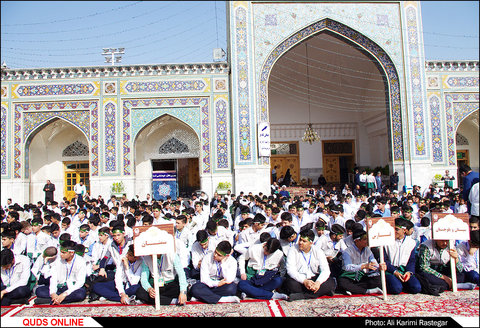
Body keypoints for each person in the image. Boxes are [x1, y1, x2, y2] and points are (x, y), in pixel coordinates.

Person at [284, 229, 336, 300]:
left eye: (304, 241)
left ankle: (302, 296)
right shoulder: (292, 250)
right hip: (300, 280)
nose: (300, 243)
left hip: (314, 278)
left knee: (331, 282)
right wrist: (304, 281)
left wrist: (318, 283)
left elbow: (325, 270)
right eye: (300, 240)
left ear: (311, 243)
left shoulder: (318, 251)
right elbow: (291, 270)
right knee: (290, 284)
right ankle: (318, 293)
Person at [35, 240, 87, 305]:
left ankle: (51, 300)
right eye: (60, 252)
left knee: (80, 294)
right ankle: (57, 299)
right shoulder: (58, 260)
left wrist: (65, 294)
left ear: (71, 253)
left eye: (63, 253)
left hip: (71, 288)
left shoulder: (80, 261)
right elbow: (53, 278)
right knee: (39, 291)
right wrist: (53, 293)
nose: (61, 254)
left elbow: (80, 282)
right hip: (59, 287)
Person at [337, 229, 385, 295]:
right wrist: (363, 266)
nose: (367, 241)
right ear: (357, 240)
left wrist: (379, 267)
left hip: (361, 276)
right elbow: (347, 267)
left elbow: (373, 262)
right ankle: (367, 291)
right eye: (365, 239)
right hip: (349, 276)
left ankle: (353, 289)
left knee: (377, 280)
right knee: (342, 282)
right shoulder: (347, 251)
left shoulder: (367, 250)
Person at [383, 218, 421, 294]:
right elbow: (385, 260)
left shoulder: (411, 242)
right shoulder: (386, 241)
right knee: (396, 289)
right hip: (391, 270)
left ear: (404, 230)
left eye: (396, 229)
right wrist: (395, 272)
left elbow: (411, 260)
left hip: (404, 270)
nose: (394, 231)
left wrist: (409, 272)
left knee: (416, 288)